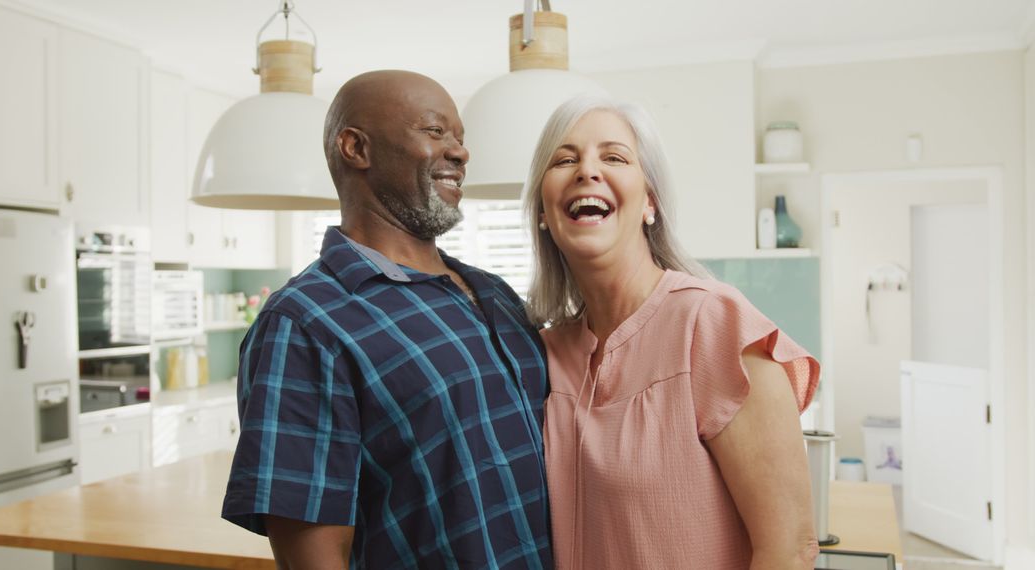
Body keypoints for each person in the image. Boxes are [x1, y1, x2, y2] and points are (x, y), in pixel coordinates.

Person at [222, 70, 552, 569]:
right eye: (435, 131)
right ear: (356, 148)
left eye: (460, 138)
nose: (460, 153)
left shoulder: (495, 292)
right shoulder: (305, 322)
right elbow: (313, 555)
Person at [524, 95, 821, 569]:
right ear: (543, 210)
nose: (587, 171)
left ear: (650, 203)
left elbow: (790, 549)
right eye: (565, 160)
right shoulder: (541, 355)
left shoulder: (715, 326)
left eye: (614, 157)